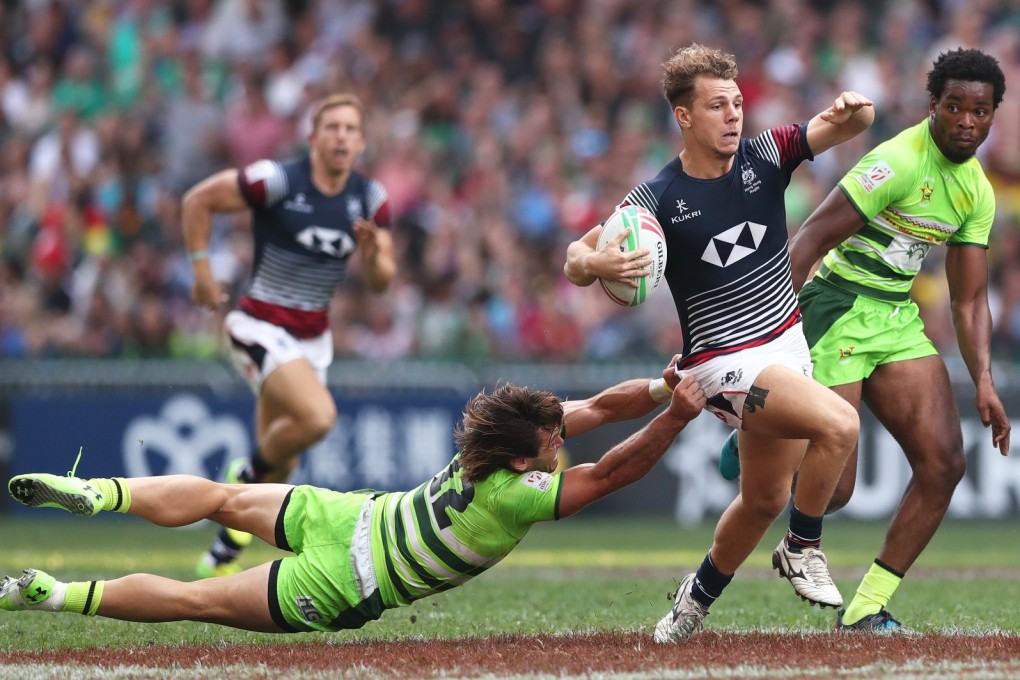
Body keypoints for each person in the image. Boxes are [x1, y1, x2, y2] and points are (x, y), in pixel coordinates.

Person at [1, 363, 706, 633]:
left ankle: (100, 492)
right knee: (197, 601)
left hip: (351, 512)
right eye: (551, 443)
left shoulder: (485, 445)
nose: (562, 441)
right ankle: (53, 595)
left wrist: (655, 388)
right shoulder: (519, 493)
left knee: (219, 495)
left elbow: (592, 412)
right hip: (347, 580)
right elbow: (612, 472)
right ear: (526, 457)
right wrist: (674, 416)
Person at [563, 43, 873, 642]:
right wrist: (597, 260)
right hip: (722, 363)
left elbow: (853, 124)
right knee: (839, 424)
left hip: (786, 349)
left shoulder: (767, 154)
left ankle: (691, 603)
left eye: (736, 103)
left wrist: (853, 109)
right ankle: (803, 546)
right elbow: (577, 258)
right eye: (716, 106)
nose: (733, 116)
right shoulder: (656, 198)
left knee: (761, 500)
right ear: (684, 116)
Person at [781, 47, 1008, 633]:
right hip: (835, 306)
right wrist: (770, 334)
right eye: (954, 107)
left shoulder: (976, 192)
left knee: (944, 463)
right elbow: (808, 240)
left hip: (893, 315)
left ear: (992, 115)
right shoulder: (897, 161)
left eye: (979, 111)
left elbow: (968, 298)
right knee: (836, 492)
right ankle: (763, 433)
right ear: (933, 105)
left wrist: (983, 379)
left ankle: (867, 608)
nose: (966, 121)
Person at [181, 92, 396, 579]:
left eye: (350, 129)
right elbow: (197, 201)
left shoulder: (371, 199)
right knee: (318, 416)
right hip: (258, 324)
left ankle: (221, 558)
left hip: (312, 339)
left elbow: (384, 280)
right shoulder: (277, 180)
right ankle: (243, 476)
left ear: (361, 142)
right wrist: (202, 273)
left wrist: (372, 256)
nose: (341, 136)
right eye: (332, 127)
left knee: (281, 470)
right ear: (313, 137)